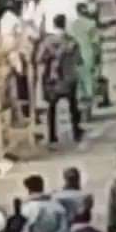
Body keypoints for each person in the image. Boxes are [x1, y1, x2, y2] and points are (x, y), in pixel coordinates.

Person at [38, 13, 84, 145]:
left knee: (52, 108)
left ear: (54, 24)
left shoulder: (48, 42)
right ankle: (76, 132)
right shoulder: (72, 41)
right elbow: (79, 60)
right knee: (73, 107)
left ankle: (52, 135)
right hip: (69, 78)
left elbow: (38, 58)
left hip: (53, 80)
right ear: (65, 24)